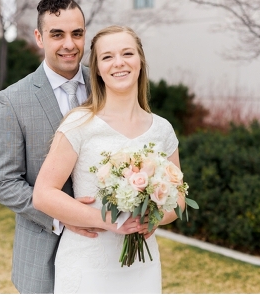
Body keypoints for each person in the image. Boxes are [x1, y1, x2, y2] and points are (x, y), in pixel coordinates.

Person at [32, 25, 185, 293]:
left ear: (140, 61)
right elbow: (44, 194)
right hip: (87, 264)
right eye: (107, 57)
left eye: (127, 53)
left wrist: (154, 217)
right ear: (98, 70)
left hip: (142, 267)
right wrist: (109, 221)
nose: (119, 63)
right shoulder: (80, 123)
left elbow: (179, 200)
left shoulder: (162, 129)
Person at [0, 0, 103, 294]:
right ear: (40, 38)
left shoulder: (106, 86)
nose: (69, 44)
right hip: (43, 256)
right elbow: (4, 181)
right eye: (57, 34)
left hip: (105, 248)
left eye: (77, 34)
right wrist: (63, 217)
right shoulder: (13, 100)